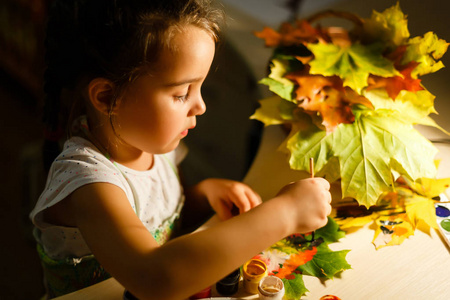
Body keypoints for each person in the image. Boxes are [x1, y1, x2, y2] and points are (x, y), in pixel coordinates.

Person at [30, 0, 332, 299]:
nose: (200, 106)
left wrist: (202, 196)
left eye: (199, 88)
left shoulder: (150, 141)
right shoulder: (89, 185)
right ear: (108, 97)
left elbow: (161, 227)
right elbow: (156, 277)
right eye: (181, 93)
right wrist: (286, 213)